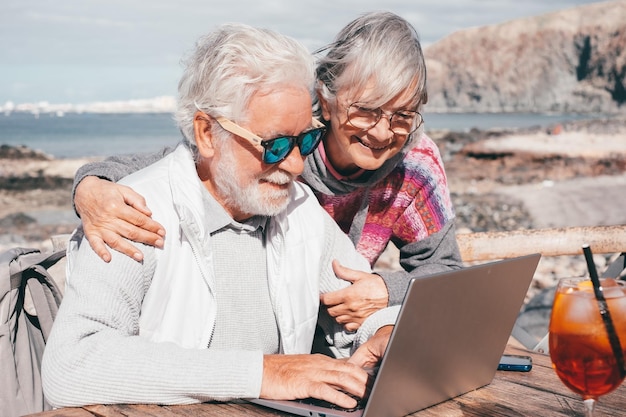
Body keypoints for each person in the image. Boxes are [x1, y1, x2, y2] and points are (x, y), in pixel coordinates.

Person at [42, 23, 397, 409]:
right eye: (276, 145)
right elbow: (71, 365)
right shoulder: (133, 214)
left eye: (306, 139)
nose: (296, 165)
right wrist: (265, 374)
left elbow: (357, 309)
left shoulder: (299, 209)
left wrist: (386, 333)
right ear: (208, 133)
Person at [71, 12, 462, 331]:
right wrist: (89, 186)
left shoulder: (415, 166)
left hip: (337, 326)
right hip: (278, 326)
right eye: (366, 110)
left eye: (401, 116)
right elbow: (183, 161)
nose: (381, 131)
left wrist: (387, 289)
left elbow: (446, 270)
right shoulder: (290, 142)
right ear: (325, 102)